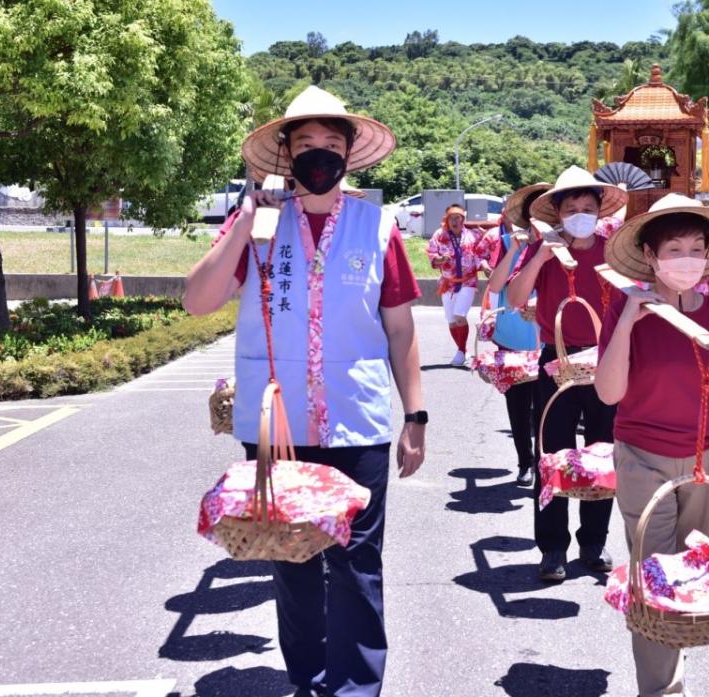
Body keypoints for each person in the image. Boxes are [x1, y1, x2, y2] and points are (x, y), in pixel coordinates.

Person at [183, 85, 426, 697]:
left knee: (356, 563)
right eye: (306, 145)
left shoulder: (379, 227)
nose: (319, 155)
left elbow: (399, 330)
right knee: (290, 558)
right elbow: (197, 301)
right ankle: (310, 677)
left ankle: (355, 686)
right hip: (278, 422)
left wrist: (415, 415)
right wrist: (242, 220)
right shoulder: (260, 224)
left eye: (331, 145)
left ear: (350, 154)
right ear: (285, 155)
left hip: (357, 417)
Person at [596, 193, 709, 697]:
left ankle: (672, 670)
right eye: (674, 248)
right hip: (642, 459)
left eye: (696, 246)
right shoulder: (624, 311)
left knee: (693, 577)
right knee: (652, 579)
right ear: (651, 255)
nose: (687, 258)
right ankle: (661, 691)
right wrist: (631, 315)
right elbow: (609, 393)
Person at [507, 165, 628, 582]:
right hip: (556, 361)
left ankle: (593, 541)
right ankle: (552, 547)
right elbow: (514, 297)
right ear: (558, 213)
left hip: (607, 362)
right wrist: (541, 254)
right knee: (552, 454)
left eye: (587, 207)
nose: (580, 213)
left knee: (603, 451)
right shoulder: (546, 250)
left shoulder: (614, 249)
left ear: (599, 211)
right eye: (572, 207)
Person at [485, 183, 549, 486]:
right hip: (512, 339)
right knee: (518, 406)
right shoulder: (513, 242)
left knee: (546, 408)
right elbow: (495, 286)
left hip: (548, 343)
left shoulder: (560, 246)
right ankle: (525, 461)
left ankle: (542, 463)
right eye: (534, 213)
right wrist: (513, 249)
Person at [427, 203, 495, 366]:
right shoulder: (439, 235)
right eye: (452, 218)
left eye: (458, 218)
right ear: (446, 220)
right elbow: (432, 253)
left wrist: (484, 266)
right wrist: (439, 259)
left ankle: (461, 351)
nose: (455, 221)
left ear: (463, 219)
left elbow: (481, 253)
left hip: (468, 282)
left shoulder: (473, 235)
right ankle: (462, 350)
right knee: (451, 320)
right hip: (447, 283)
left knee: (459, 316)